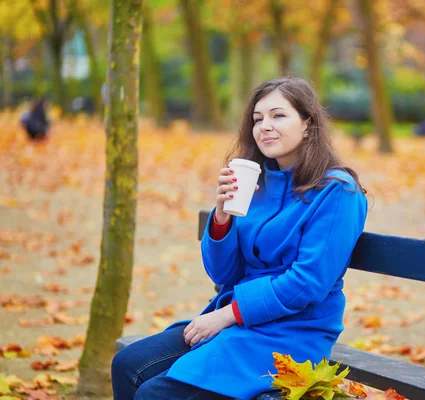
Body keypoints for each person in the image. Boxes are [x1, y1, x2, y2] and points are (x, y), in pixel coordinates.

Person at [111, 77, 369, 400]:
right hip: (241, 322)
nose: (264, 127)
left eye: (278, 116)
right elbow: (223, 275)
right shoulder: (256, 182)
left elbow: (308, 283)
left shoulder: (337, 191)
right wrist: (222, 216)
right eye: (257, 119)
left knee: (156, 394)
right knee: (127, 365)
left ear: (307, 124)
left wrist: (227, 314)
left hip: (292, 333)